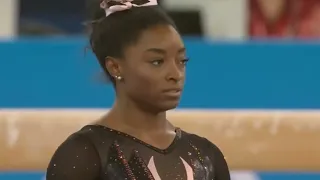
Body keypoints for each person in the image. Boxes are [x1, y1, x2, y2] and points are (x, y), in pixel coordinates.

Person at [46, 0, 230, 179]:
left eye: (182, 61)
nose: (176, 74)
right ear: (115, 67)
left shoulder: (206, 156)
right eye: (157, 62)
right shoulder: (85, 155)